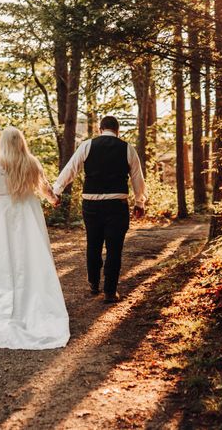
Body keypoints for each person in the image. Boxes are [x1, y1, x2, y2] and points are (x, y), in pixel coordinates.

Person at [0, 126, 70, 349]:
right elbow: (44, 187)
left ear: (2, 142)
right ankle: (31, 299)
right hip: (27, 213)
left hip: (1, 214)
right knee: (29, 257)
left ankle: (2, 301)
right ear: (21, 141)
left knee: (3, 258)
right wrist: (53, 200)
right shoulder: (31, 162)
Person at [52, 116, 147, 303]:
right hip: (117, 205)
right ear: (117, 130)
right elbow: (137, 177)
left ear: (100, 129)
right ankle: (110, 291)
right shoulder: (127, 148)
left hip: (91, 205)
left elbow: (71, 169)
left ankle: (94, 284)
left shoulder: (87, 146)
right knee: (114, 248)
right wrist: (139, 203)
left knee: (93, 244)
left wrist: (57, 191)